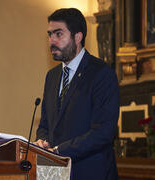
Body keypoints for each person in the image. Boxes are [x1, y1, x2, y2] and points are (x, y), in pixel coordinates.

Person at [34, 8, 119, 180]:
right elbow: (45, 124)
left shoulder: (101, 73)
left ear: (77, 37)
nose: (51, 41)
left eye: (59, 34)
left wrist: (59, 151)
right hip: (55, 174)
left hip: (90, 172)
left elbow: (103, 132)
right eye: (50, 34)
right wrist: (42, 141)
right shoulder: (52, 76)